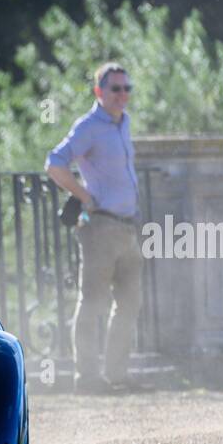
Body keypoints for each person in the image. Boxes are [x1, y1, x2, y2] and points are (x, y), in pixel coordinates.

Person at [46, 62, 145, 394]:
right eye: (115, 89)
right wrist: (85, 197)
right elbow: (54, 163)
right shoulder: (89, 126)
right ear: (99, 92)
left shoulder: (123, 122)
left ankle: (117, 374)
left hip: (128, 226)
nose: (122, 95)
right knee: (92, 302)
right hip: (100, 226)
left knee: (130, 302)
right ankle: (87, 377)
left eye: (126, 88)